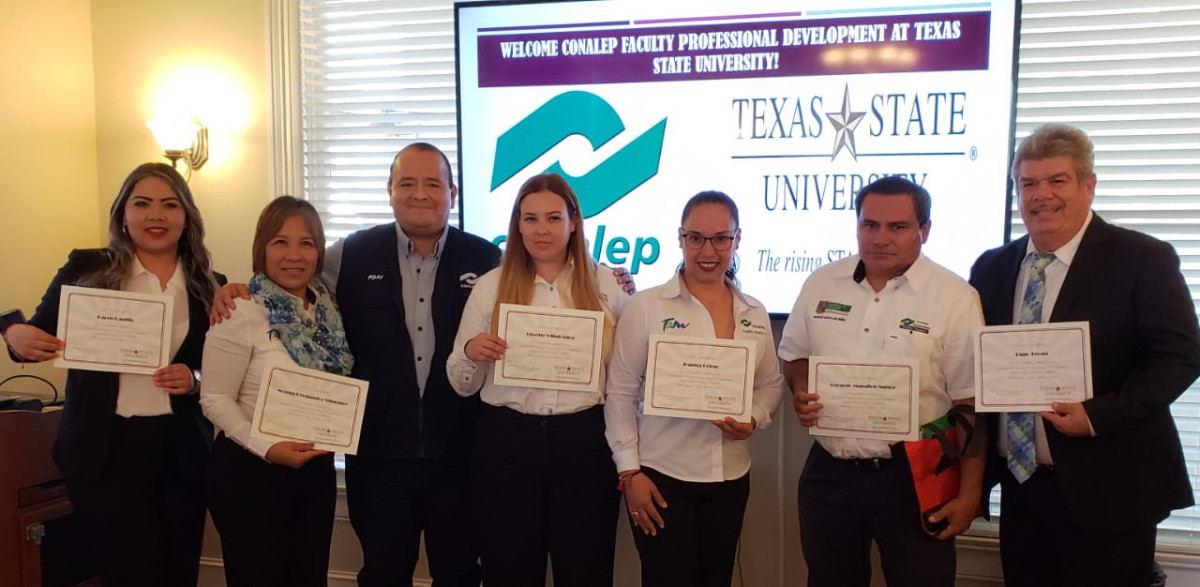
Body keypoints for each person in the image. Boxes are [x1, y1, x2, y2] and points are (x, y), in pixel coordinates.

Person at [969, 124, 1199, 587]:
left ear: (1088, 185)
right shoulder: (992, 266)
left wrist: (1096, 415)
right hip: (1022, 487)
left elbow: (1182, 355)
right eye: (1028, 183)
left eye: (1057, 181)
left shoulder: (1142, 259)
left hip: (1112, 489)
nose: (1041, 195)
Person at [1, 162, 221, 586]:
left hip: (181, 451)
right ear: (124, 214)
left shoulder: (208, 284)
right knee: (128, 574)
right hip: (104, 453)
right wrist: (13, 333)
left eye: (169, 205)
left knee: (178, 572)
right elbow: (34, 335)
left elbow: (223, 374)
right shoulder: (87, 268)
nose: (156, 215)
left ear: (186, 217)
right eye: (142, 204)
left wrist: (193, 379)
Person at [778, 176, 985, 587]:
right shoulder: (821, 283)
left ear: (924, 231)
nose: (880, 238)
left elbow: (971, 403)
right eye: (869, 225)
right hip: (830, 472)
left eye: (898, 227)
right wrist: (801, 390)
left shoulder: (955, 298)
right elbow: (795, 355)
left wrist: (970, 493)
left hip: (915, 474)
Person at [446, 172, 629, 586]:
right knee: (507, 570)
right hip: (507, 446)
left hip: (583, 444)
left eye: (552, 218)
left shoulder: (607, 286)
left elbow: (630, 373)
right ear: (517, 225)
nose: (541, 230)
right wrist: (472, 352)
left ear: (574, 221)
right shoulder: (490, 287)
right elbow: (461, 383)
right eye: (530, 219)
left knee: (586, 570)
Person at [603, 190, 783, 587]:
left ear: (737, 240)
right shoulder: (646, 307)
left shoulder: (753, 312)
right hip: (660, 478)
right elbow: (619, 394)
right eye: (695, 237)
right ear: (680, 238)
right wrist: (630, 474)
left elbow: (770, 384)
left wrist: (753, 418)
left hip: (730, 479)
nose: (708, 250)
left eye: (721, 238)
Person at [200, 196, 351, 586]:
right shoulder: (240, 310)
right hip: (250, 476)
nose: (294, 255)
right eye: (280, 242)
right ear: (261, 248)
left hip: (313, 472)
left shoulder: (327, 311)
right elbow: (214, 399)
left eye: (306, 243)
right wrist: (266, 446)